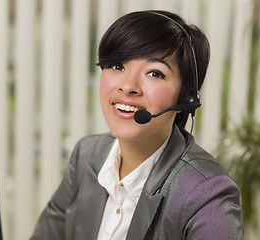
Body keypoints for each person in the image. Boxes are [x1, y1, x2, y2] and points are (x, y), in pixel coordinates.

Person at [30, 10, 243, 239]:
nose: (128, 86)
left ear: (185, 98)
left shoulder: (206, 193)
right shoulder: (87, 155)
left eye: (154, 73)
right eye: (117, 66)